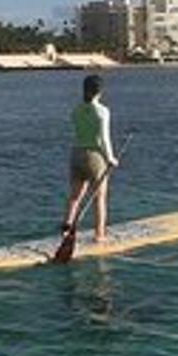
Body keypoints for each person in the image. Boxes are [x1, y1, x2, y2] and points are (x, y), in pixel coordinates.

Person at [62, 73, 119, 243]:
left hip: (76, 154)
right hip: (95, 157)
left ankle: (66, 232)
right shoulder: (102, 111)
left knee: (74, 197)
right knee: (99, 198)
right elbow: (104, 138)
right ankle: (99, 235)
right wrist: (110, 158)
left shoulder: (76, 110)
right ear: (100, 91)